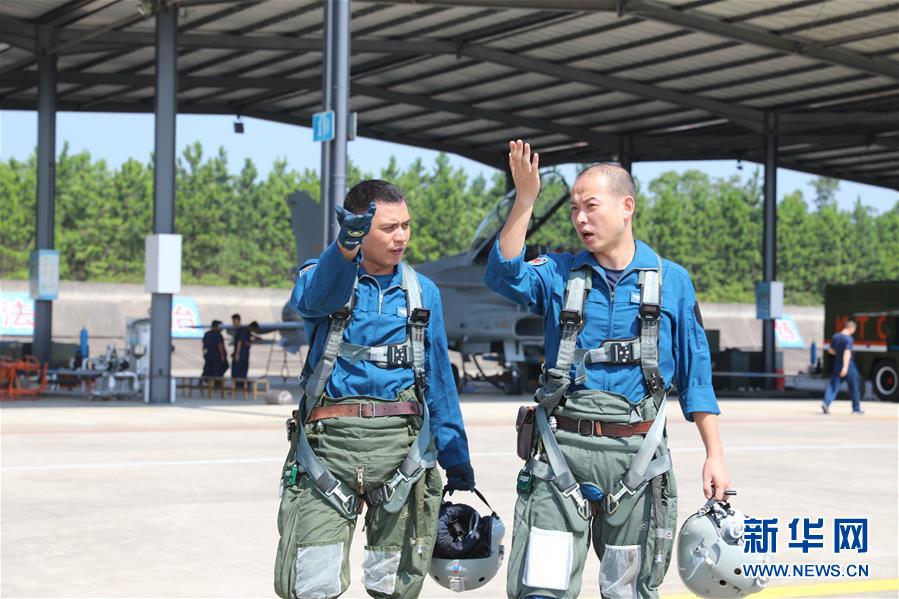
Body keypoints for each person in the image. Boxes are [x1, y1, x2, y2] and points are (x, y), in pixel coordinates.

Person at [485, 141, 730, 599]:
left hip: (636, 458)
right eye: (574, 209)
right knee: (542, 587)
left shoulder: (673, 282)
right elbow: (503, 274)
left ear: (626, 207)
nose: (580, 219)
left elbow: (697, 377)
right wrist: (525, 200)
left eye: (591, 207)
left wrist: (714, 455)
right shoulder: (559, 273)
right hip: (561, 455)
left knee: (627, 590)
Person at [274, 179, 474, 599]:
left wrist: (456, 458)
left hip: (401, 454)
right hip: (329, 451)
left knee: (394, 586)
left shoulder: (423, 293)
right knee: (312, 583)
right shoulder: (323, 277)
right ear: (359, 229)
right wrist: (344, 250)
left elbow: (439, 380)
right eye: (388, 228)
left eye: (406, 225)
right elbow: (311, 301)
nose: (401, 237)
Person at [822, 319, 863, 414]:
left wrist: (839, 355)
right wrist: (845, 367)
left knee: (833, 386)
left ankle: (826, 403)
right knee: (854, 386)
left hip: (837, 363)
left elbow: (831, 351)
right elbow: (847, 352)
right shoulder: (848, 339)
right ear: (851, 328)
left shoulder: (835, 337)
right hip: (848, 365)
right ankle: (856, 408)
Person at [230, 313, 250, 387]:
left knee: (238, 370)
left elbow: (239, 342)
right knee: (241, 370)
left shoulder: (241, 330)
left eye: (234, 321)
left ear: (238, 320)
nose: (233, 323)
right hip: (243, 353)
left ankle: (239, 385)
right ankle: (240, 385)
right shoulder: (243, 330)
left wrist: (237, 354)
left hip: (241, 354)